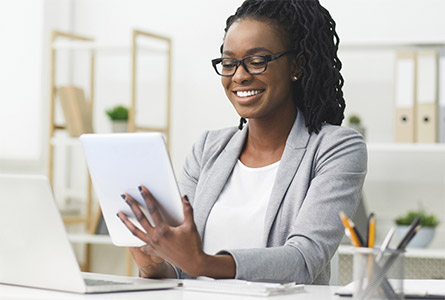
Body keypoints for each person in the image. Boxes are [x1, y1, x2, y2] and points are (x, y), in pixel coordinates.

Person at [117, 0, 367, 284]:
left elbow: (303, 260)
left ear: (297, 65)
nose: (239, 75)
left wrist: (202, 262)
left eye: (257, 61)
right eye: (228, 62)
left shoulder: (336, 148)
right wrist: (154, 266)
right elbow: (182, 268)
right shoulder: (207, 149)